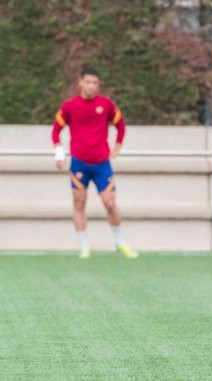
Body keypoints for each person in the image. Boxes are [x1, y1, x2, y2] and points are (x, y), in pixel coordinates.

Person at [52, 66, 138, 260]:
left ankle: (120, 242)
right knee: (79, 204)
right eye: (88, 82)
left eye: (95, 83)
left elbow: (120, 126)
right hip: (79, 163)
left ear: (98, 85)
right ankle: (84, 247)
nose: (91, 86)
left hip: (101, 163)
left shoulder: (106, 104)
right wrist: (59, 152)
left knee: (110, 203)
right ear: (80, 82)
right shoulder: (69, 106)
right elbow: (56, 130)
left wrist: (117, 147)